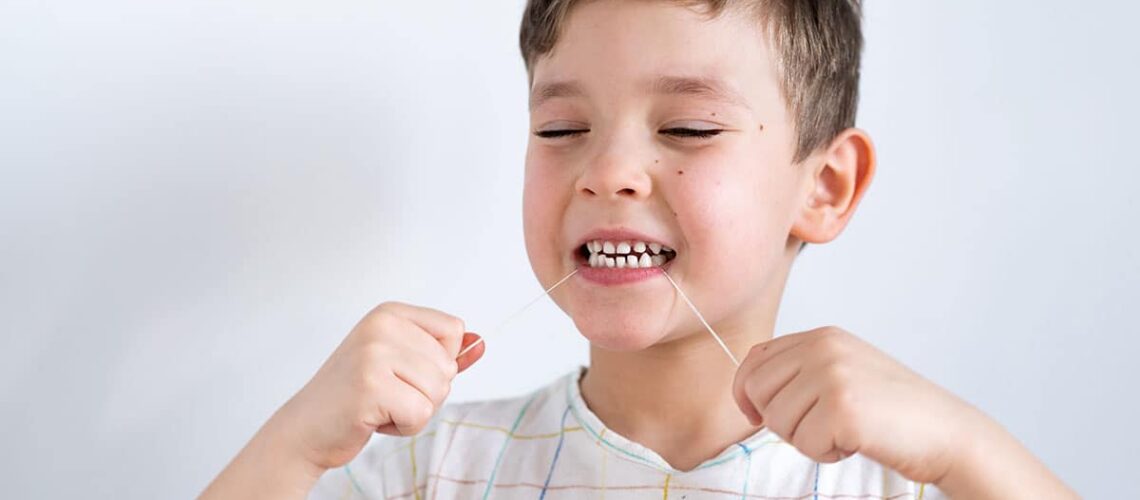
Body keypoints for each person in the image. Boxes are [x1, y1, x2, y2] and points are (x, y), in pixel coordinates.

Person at [202, 1, 1077, 498]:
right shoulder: (433, 470)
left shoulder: (912, 484)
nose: (609, 170)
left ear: (826, 187)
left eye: (690, 127)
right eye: (563, 126)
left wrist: (969, 451)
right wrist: (296, 445)